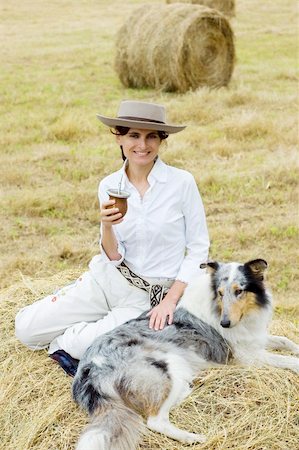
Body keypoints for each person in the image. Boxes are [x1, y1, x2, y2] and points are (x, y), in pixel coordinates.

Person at [15, 100, 210, 376]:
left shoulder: (181, 183)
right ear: (118, 137)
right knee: (26, 330)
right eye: (133, 135)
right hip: (106, 279)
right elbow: (112, 254)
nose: (142, 145)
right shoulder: (109, 185)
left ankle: (72, 338)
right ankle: (80, 312)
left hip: (146, 296)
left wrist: (170, 300)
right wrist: (106, 226)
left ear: (161, 140)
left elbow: (199, 248)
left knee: (83, 346)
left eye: (151, 136)